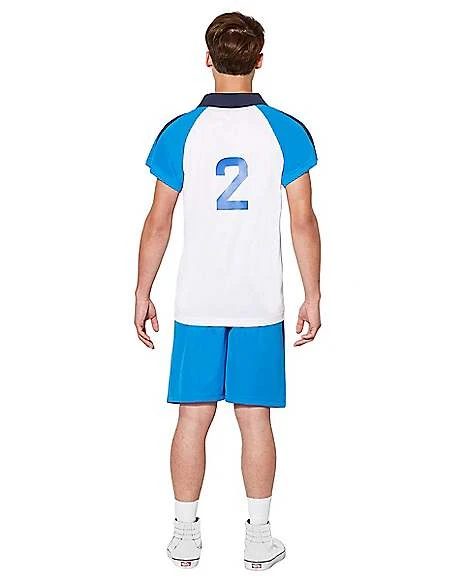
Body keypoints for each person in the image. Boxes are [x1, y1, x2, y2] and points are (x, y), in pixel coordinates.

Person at [135, 11, 321, 571]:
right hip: (259, 302)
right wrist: (313, 294)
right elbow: (304, 220)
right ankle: (259, 537)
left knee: (192, 418)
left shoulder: (181, 131)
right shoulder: (286, 131)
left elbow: (158, 221)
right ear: (260, 60)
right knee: (255, 418)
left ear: (207, 59)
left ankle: (184, 534)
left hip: (198, 301)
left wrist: (142, 290)